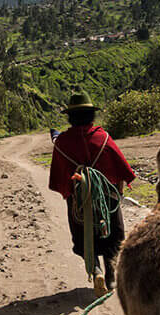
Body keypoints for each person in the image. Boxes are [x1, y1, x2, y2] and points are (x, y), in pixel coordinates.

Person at [48, 92, 135, 296]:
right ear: (91, 115)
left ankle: (95, 269)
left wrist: (71, 194)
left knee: (83, 234)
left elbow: (60, 179)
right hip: (107, 197)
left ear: (70, 116)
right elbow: (121, 168)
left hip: (79, 200)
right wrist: (119, 194)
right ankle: (111, 275)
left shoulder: (61, 143)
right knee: (114, 236)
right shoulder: (103, 137)